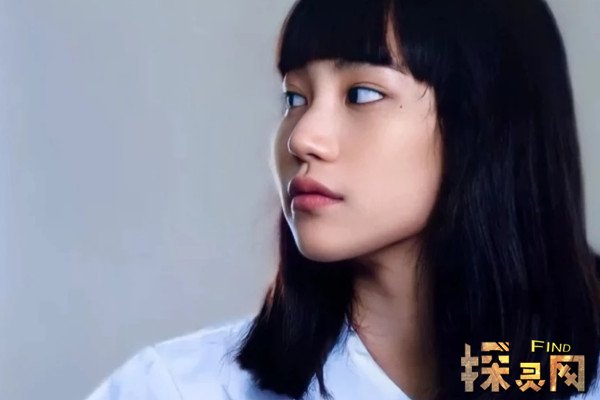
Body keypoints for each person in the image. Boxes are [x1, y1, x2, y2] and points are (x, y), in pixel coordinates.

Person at [84, 0, 600, 399]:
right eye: (294, 98)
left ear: (487, 122)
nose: (302, 138)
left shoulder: (571, 370)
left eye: (362, 94)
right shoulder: (175, 388)